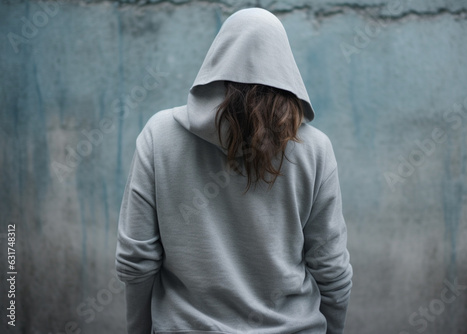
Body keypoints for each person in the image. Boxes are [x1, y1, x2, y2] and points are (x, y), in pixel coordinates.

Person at [115, 7, 353, 334]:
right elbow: (332, 269)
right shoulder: (315, 149)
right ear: (285, 67)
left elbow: (136, 259)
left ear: (217, 58)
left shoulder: (159, 135)